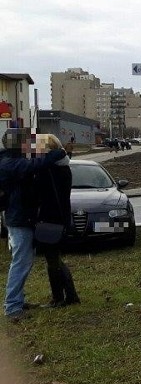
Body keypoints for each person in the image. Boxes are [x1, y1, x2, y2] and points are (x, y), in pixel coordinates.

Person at [0, 128, 67, 322]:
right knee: (20, 263)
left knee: (23, 262)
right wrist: (57, 152)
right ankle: (12, 307)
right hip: (19, 220)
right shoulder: (10, 163)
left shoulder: (11, 159)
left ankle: (17, 301)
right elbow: (35, 165)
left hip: (22, 218)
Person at [33, 134, 79, 308]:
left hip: (50, 217)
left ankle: (59, 298)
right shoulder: (63, 167)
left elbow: (39, 194)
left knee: (53, 261)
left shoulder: (48, 170)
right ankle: (70, 296)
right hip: (60, 217)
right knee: (55, 259)